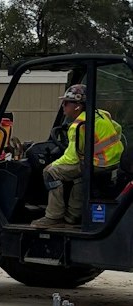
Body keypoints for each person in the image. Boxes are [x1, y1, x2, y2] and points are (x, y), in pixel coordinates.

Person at [32, 84, 125, 228]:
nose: (63, 106)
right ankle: (72, 217)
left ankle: (53, 216)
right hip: (114, 161)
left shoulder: (78, 126)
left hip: (98, 163)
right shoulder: (101, 114)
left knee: (50, 172)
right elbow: (117, 128)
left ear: (77, 106)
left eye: (66, 103)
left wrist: (53, 164)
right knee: (80, 175)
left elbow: (71, 158)